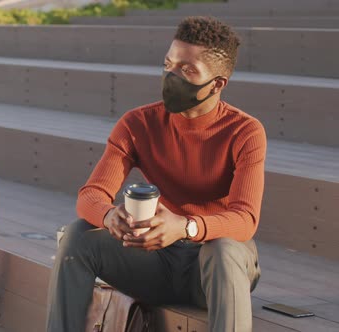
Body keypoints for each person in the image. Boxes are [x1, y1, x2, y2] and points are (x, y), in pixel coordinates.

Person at [46, 16, 265, 332]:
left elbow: (245, 219)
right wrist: (109, 216)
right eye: (169, 64)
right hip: (155, 260)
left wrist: (185, 227)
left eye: (187, 70)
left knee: (225, 247)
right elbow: (90, 196)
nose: (172, 76)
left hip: (213, 269)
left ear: (217, 84)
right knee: (77, 235)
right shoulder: (138, 124)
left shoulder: (245, 132)